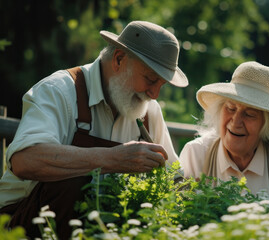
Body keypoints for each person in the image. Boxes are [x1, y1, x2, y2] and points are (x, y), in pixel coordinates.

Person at [0, 21, 188, 239]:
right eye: (150, 79)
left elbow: (175, 180)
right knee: (73, 181)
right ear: (119, 59)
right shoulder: (59, 90)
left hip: (100, 229)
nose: (154, 94)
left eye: (161, 85)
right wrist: (111, 159)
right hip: (21, 226)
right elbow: (24, 160)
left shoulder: (148, 111)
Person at [179, 61, 269, 196]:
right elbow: (179, 211)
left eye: (249, 114)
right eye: (231, 108)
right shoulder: (196, 153)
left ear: (267, 125)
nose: (236, 122)